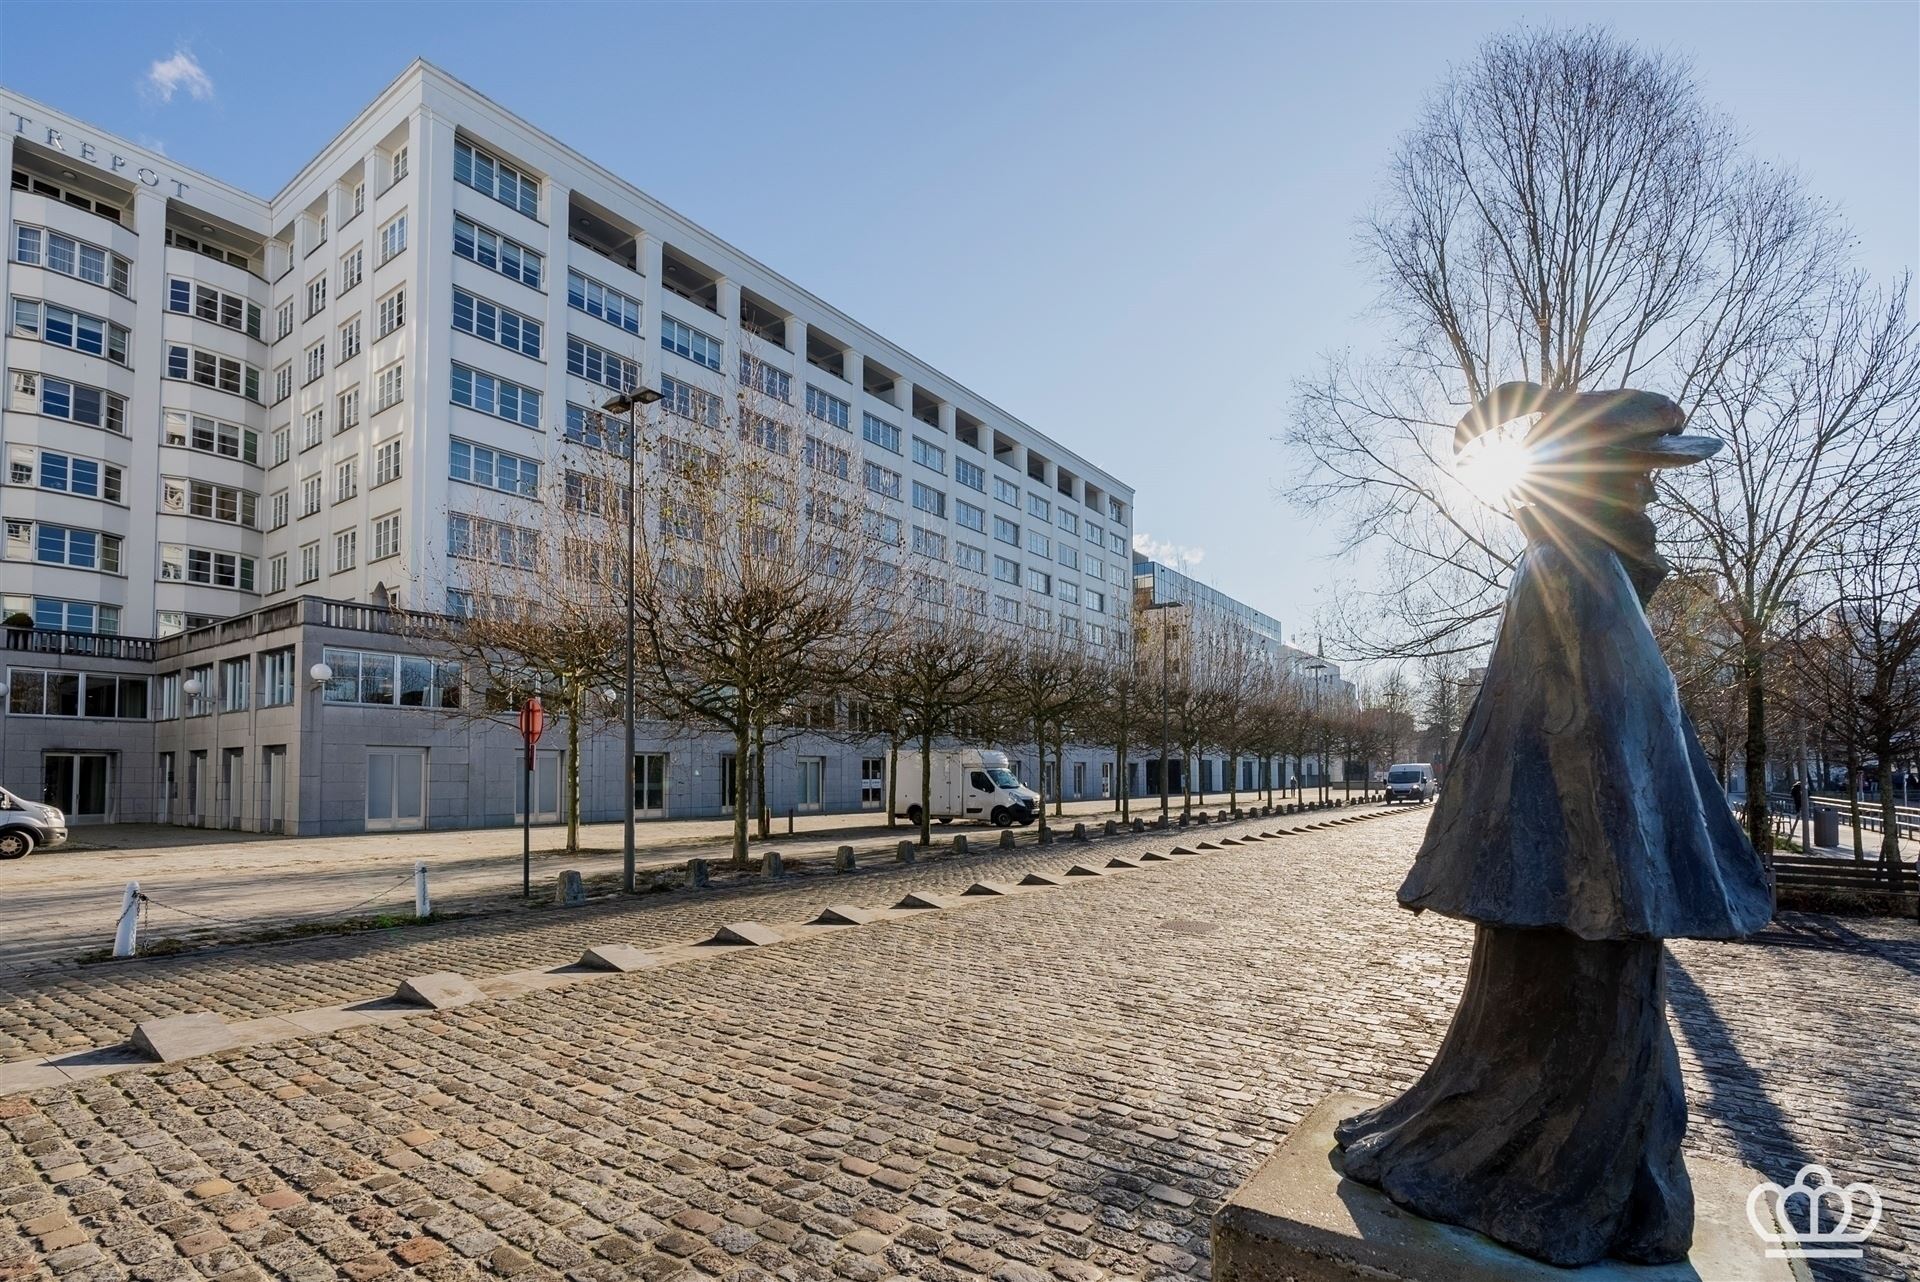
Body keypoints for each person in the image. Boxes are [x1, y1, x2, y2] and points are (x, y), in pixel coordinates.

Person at [1336, 383, 1772, 1268]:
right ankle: (1547, 1187)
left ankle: (1602, 1187)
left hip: (1583, 881)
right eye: (1643, 477)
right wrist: (1623, 881)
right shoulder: (1569, 572)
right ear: (1597, 480)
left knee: (1603, 1053)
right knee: (1574, 1056)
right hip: (1583, 881)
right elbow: (1588, 739)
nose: (1653, 495)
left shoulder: (1587, 568)